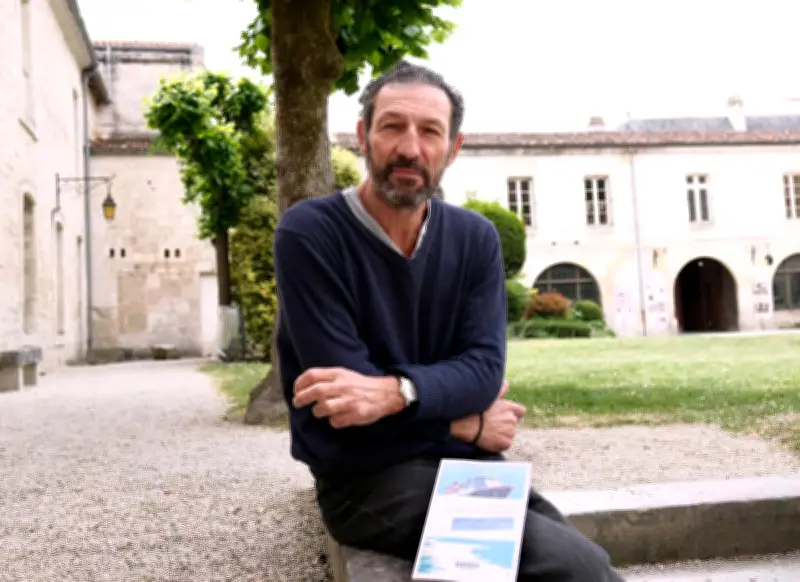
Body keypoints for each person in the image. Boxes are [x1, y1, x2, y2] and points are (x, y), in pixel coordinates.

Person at [273, 60, 625, 582]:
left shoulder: (475, 239)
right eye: (392, 126)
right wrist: (465, 422)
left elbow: (483, 370)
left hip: (467, 468)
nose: (410, 148)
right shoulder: (311, 234)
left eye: (430, 131)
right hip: (365, 484)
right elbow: (343, 412)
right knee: (576, 569)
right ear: (363, 136)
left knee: (584, 562)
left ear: (452, 149)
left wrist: (393, 394)